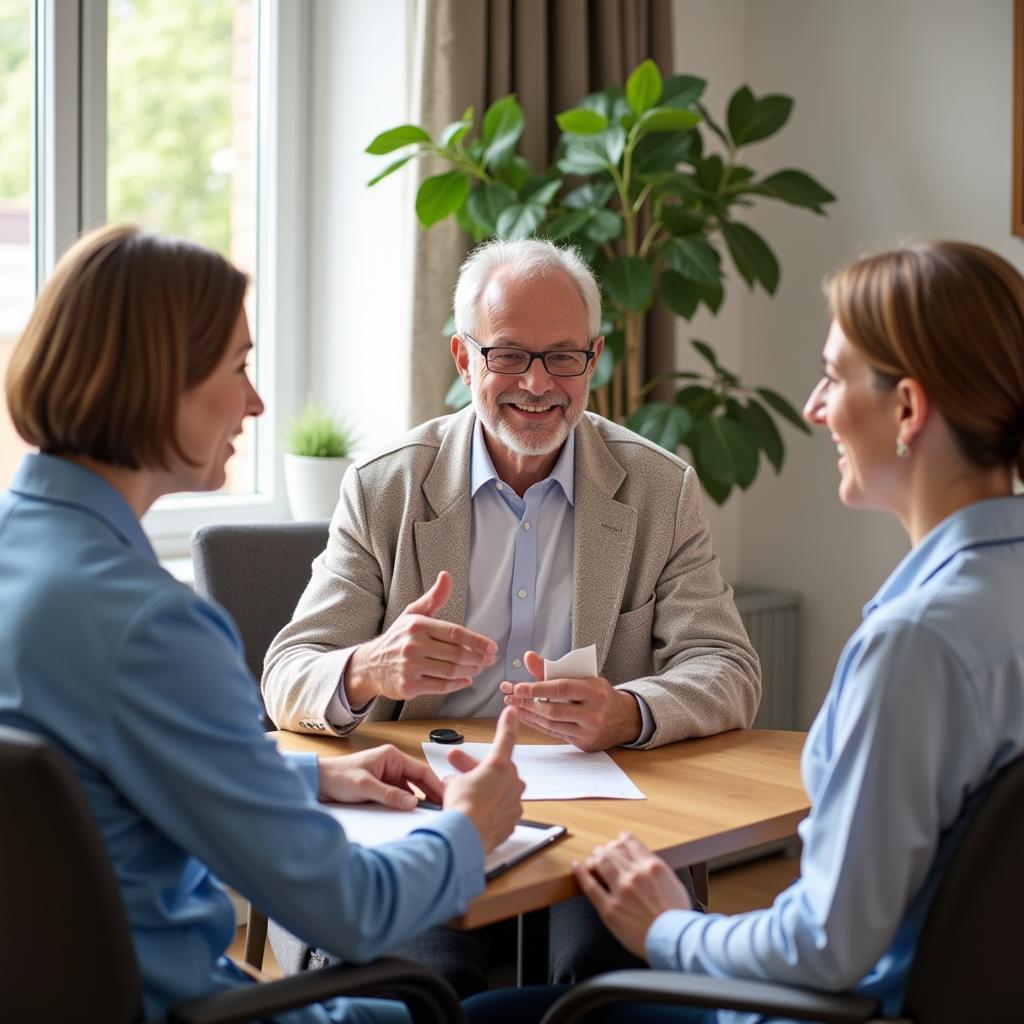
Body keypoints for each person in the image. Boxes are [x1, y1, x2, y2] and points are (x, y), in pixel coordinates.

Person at [462, 239, 1024, 1023]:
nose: (814, 407)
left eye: (832, 376)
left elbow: (825, 948)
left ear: (906, 409)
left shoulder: (917, 644)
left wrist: (671, 929)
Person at [0, 224, 526, 1024]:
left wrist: (310, 776)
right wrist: (467, 829)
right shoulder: (154, 626)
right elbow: (351, 911)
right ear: (156, 380)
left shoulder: (24, 558)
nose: (256, 400)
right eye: (239, 366)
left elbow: (94, 787)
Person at [260, 237, 761, 991]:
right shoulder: (385, 487)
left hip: (600, 814)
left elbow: (728, 668)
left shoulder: (661, 490)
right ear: (465, 360)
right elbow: (287, 673)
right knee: (420, 983)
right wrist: (369, 666)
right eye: (508, 355)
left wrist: (628, 711)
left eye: (563, 357)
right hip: (428, 808)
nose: (537, 383)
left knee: (607, 980)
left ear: (594, 359)